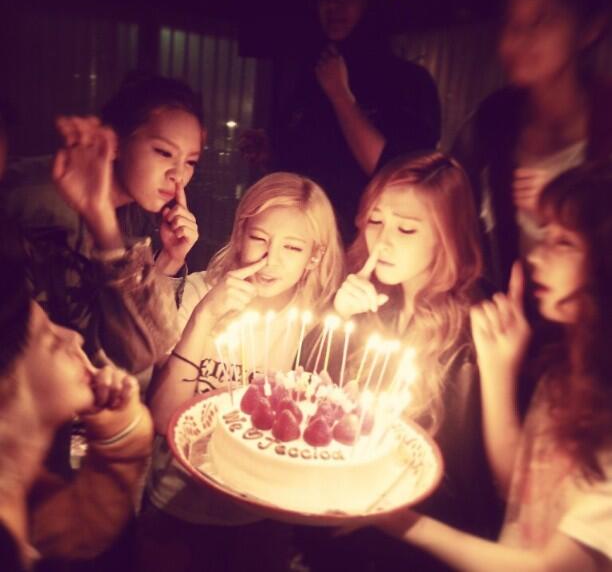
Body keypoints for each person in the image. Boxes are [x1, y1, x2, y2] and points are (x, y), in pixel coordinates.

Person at [371, 166, 612, 570]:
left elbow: (551, 567)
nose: (536, 255)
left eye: (564, 243)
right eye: (545, 236)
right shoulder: (566, 372)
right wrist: (499, 370)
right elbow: (519, 484)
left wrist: (396, 520)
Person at [299, 152, 500, 571]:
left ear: (447, 236)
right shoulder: (374, 303)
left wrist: (378, 507)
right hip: (340, 524)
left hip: (412, 549)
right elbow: (309, 399)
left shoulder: (472, 338)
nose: (383, 241)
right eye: (376, 221)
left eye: (406, 228)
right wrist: (338, 317)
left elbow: (468, 483)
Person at [137, 172, 345, 572]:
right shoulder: (196, 292)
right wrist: (204, 317)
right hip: (177, 504)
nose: (271, 260)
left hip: (260, 514)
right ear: (239, 234)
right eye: (260, 239)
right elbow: (162, 418)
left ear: (314, 257)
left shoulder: (316, 326)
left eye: (292, 247)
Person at [0, 76, 205, 376]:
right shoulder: (40, 201)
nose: (178, 174)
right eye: (164, 152)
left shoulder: (131, 216)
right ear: (116, 143)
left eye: (191, 161)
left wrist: (170, 259)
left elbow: (141, 349)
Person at [0, 223, 154, 571]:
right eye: (49, 338)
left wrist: (120, 441)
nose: (75, 337)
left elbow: (69, 535)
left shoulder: (21, 485)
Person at [453, 0, 612, 290]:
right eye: (511, 22)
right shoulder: (491, 121)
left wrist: (562, 208)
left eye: (542, 20)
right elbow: (450, 199)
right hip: (511, 311)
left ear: (589, 29)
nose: (518, 39)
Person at [265, 0, 440, 242]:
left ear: (371, 0)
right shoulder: (309, 76)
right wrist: (273, 149)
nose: (334, 2)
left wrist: (340, 96)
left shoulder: (407, 81)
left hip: (366, 242)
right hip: (303, 238)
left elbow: (399, 176)